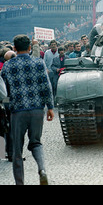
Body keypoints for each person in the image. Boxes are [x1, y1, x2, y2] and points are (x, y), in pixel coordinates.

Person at [1, 34, 54, 185]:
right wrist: (50, 107)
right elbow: (46, 86)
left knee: (17, 150)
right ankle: (42, 169)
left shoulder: (8, 66)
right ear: (30, 47)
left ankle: (20, 183)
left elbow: (4, 91)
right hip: (37, 109)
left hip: (18, 111)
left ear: (15, 48)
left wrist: (7, 104)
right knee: (36, 142)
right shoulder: (38, 62)